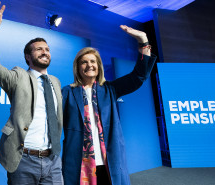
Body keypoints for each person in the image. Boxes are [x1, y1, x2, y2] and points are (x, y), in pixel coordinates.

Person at [0, 1, 63, 184]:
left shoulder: (55, 82)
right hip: (23, 160)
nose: (45, 52)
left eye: (47, 49)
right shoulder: (18, 76)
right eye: (39, 49)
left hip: (53, 161)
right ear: (28, 57)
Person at [61, 25, 157, 185]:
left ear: (98, 67)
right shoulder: (67, 92)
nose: (89, 65)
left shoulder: (110, 89)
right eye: (84, 62)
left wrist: (143, 41)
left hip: (108, 163)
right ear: (78, 68)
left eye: (93, 61)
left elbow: (139, 75)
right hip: (80, 165)